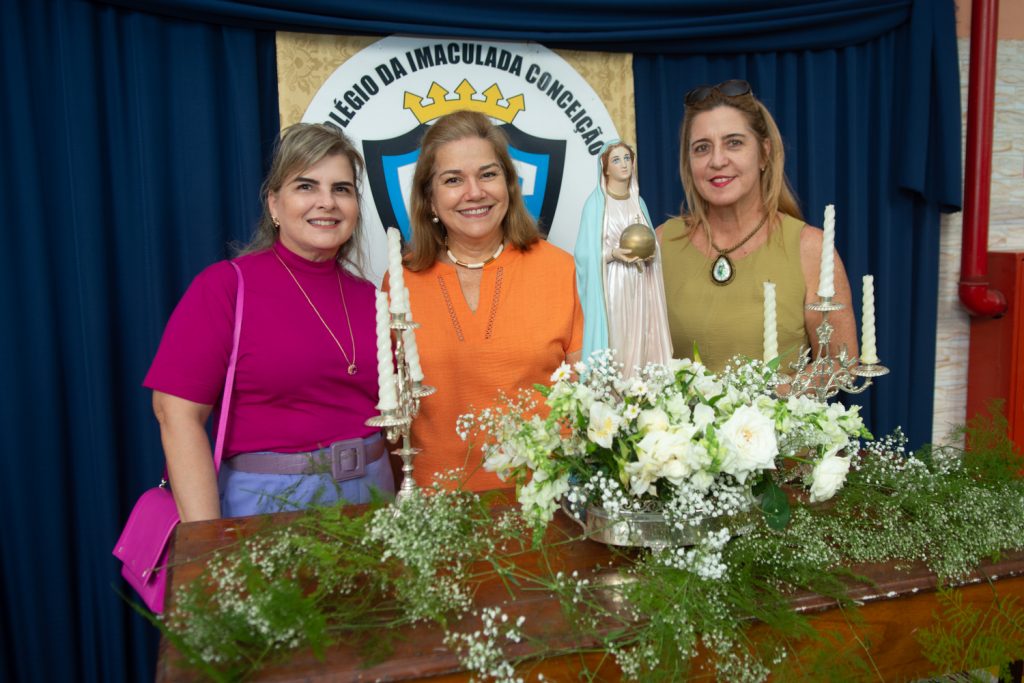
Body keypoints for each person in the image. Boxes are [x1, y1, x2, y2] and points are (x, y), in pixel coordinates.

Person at [144, 123, 393, 522]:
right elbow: (175, 414)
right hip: (269, 505)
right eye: (306, 186)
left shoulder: (372, 298)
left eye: (341, 189)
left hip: (374, 498)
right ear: (274, 204)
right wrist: (208, 543)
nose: (326, 202)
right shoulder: (225, 287)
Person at [395, 110, 584, 492]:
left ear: (510, 187)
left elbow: (589, 401)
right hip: (437, 513)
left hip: (550, 507)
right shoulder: (399, 283)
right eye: (453, 180)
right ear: (429, 199)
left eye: (487, 174)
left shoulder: (562, 270)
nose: (475, 192)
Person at [658, 79, 857, 372]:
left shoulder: (811, 249)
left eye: (734, 143)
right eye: (702, 148)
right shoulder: (661, 244)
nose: (717, 160)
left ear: (764, 152)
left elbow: (840, 365)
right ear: (688, 162)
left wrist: (771, 405)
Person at [574, 141, 672, 375]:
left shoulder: (637, 203)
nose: (624, 164)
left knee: (643, 333)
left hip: (641, 283)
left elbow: (652, 243)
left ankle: (642, 384)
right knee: (619, 337)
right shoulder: (596, 205)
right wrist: (612, 254)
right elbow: (583, 253)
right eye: (616, 160)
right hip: (613, 286)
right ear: (605, 168)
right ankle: (619, 388)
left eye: (627, 158)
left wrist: (650, 252)